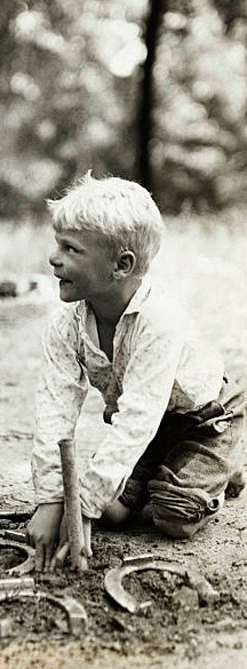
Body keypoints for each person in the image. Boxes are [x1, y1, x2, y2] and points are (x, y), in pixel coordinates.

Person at [27, 173, 245, 572]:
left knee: (173, 517)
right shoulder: (65, 324)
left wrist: (83, 509)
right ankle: (174, 469)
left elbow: (137, 418)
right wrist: (52, 501)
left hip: (204, 418)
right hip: (149, 425)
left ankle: (220, 466)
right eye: (57, 244)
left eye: (70, 249)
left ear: (121, 265)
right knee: (112, 512)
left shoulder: (159, 320)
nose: (53, 258)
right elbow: (55, 409)